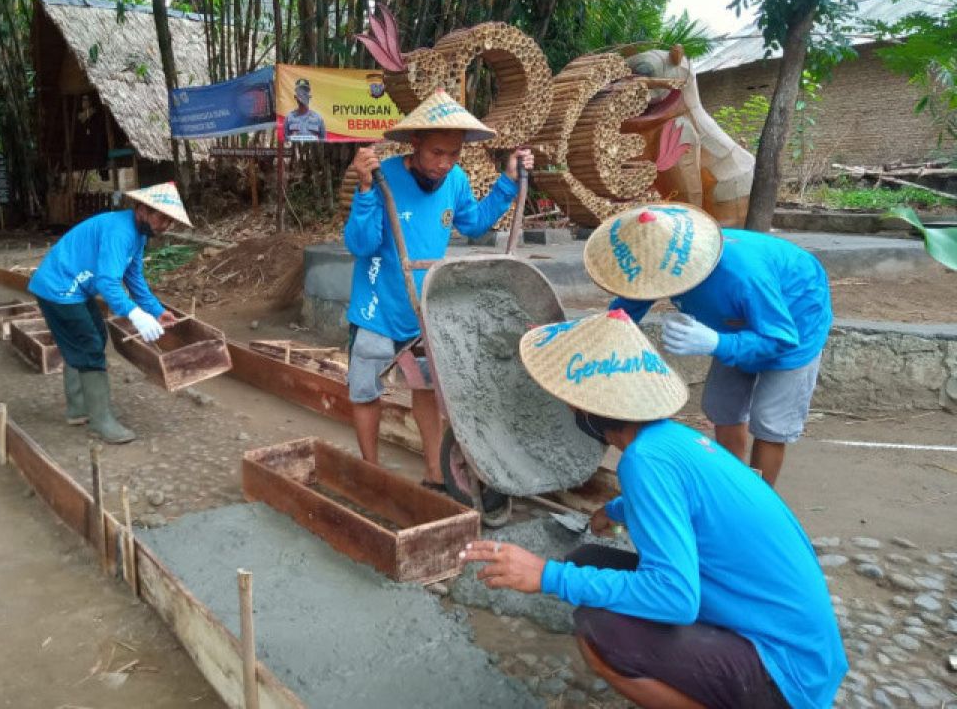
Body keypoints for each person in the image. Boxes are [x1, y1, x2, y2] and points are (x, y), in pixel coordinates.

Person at [461, 309, 847, 709]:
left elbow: (675, 598)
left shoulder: (642, 462)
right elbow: (686, 502)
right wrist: (616, 510)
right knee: (589, 558)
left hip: (785, 675)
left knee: (599, 630)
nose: (572, 411)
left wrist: (546, 575)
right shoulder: (671, 440)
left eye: (574, 403)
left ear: (597, 411)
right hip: (804, 648)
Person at [344, 88, 532, 497]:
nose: (444, 163)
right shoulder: (383, 176)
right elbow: (360, 244)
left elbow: (474, 224)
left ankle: (434, 472)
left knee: (428, 389)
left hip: (424, 307)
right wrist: (363, 189)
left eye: (453, 153)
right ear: (415, 144)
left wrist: (507, 182)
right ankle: (371, 471)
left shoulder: (456, 180)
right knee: (366, 389)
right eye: (436, 153)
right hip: (378, 306)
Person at [583, 203, 831, 486]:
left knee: (770, 421)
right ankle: (731, 484)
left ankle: (758, 498)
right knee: (722, 406)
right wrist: (599, 335)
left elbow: (780, 339)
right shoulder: (657, 262)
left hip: (794, 321)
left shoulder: (743, 277)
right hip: (732, 321)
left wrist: (716, 342)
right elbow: (631, 304)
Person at [28, 183, 190, 444]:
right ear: (142, 210)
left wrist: (157, 311)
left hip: (74, 288)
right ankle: (100, 421)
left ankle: (78, 408)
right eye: (162, 218)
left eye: (170, 221)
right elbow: (107, 282)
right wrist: (135, 314)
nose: (165, 226)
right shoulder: (120, 232)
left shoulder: (138, 235)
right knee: (89, 345)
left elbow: (134, 278)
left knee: (94, 336)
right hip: (59, 288)